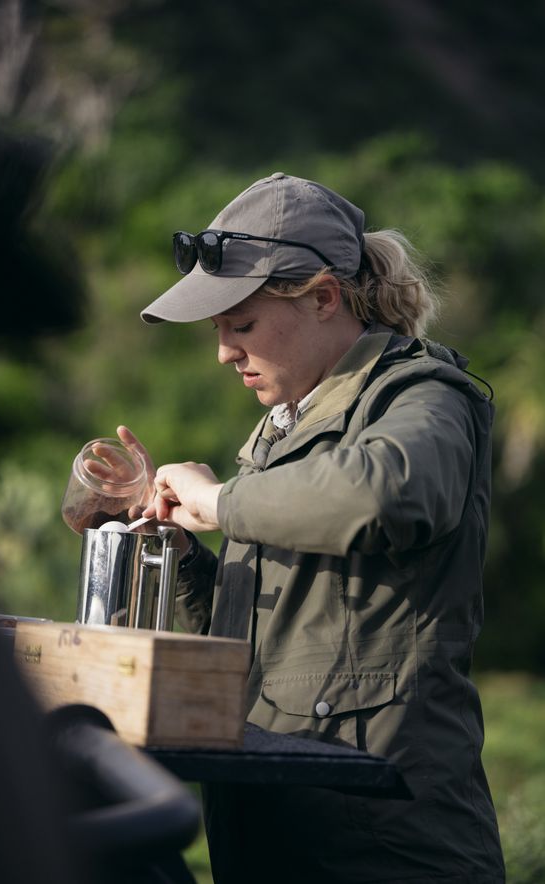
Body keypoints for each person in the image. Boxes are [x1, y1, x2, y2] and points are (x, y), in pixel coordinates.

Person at [103, 173, 505, 883]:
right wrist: (188, 555)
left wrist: (222, 502)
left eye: (242, 324)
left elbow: (389, 495)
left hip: (382, 846)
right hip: (274, 831)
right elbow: (271, 638)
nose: (224, 352)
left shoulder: (422, 395)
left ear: (323, 297)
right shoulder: (282, 430)